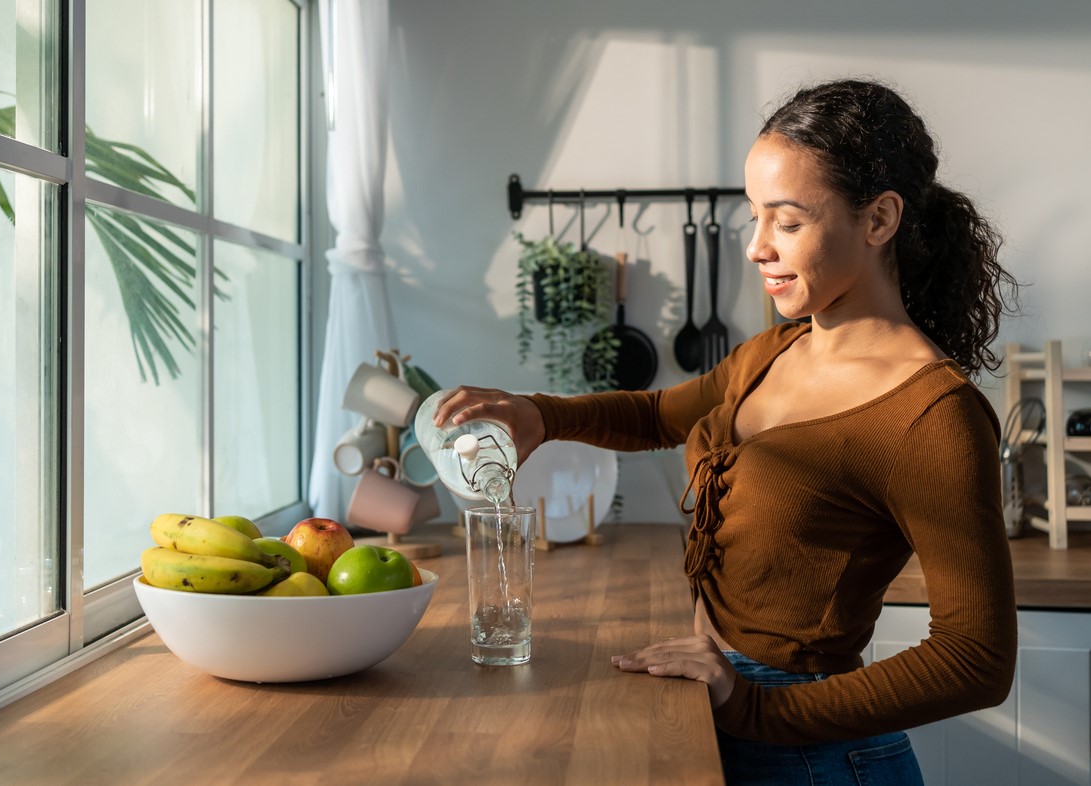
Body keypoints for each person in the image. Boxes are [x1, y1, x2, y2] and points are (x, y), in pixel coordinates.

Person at [432, 78, 1019, 785]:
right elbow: (658, 416)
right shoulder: (774, 351)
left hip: (812, 752)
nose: (756, 248)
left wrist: (754, 707)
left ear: (879, 219)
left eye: (788, 221)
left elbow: (974, 660)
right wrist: (540, 415)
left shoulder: (931, 415)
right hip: (723, 713)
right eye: (754, 217)